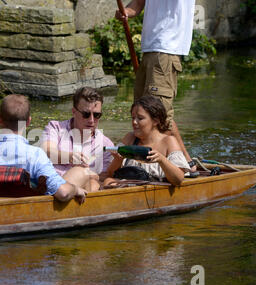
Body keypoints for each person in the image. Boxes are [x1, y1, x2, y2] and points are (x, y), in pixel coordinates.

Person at [115, 0, 197, 171]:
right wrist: (127, 11)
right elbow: (139, 2)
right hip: (150, 49)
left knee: (158, 117)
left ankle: (183, 165)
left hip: (166, 49)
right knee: (142, 114)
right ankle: (185, 161)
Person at [0, 94, 87, 204]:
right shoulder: (35, 155)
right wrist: (75, 189)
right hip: (19, 214)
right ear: (28, 122)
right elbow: (63, 193)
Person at [40, 87, 114, 192]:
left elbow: (102, 177)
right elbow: (46, 151)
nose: (91, 120)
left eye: (97, 115)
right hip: (49, 185)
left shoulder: (105, 144)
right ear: (74, 111)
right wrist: (69, 157)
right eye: (86, 114)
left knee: (93, 183)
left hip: (80, 192)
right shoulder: (56, 128)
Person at [104, 96, 190, 186]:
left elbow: (178, 179)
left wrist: (162, 160)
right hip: (128, 189)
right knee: (109, 181)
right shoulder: (130, 138)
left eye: (140, 118)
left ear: (155, 121)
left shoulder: (169, 141)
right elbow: (110, 173)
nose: (134, 122)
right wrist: (118, 160)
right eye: (133, 118)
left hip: (155, 192)